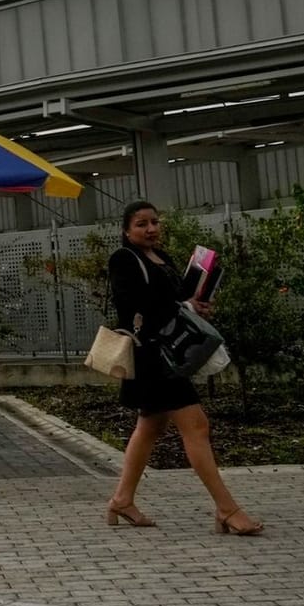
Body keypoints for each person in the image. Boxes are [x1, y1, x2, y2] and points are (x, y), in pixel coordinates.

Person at [105, 201, 264, 535]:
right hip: (152, 358)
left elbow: (177, 300)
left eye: (154, 222)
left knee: (149, 428)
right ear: (126, 230)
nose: (150, 229)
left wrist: (196, 305)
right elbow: (134, 305)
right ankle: (227, 509)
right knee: (197, 427)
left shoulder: (163, 258)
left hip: (166, 355)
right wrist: (182, 305)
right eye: (141, 224)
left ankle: (122, 500)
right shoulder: (124, 260)